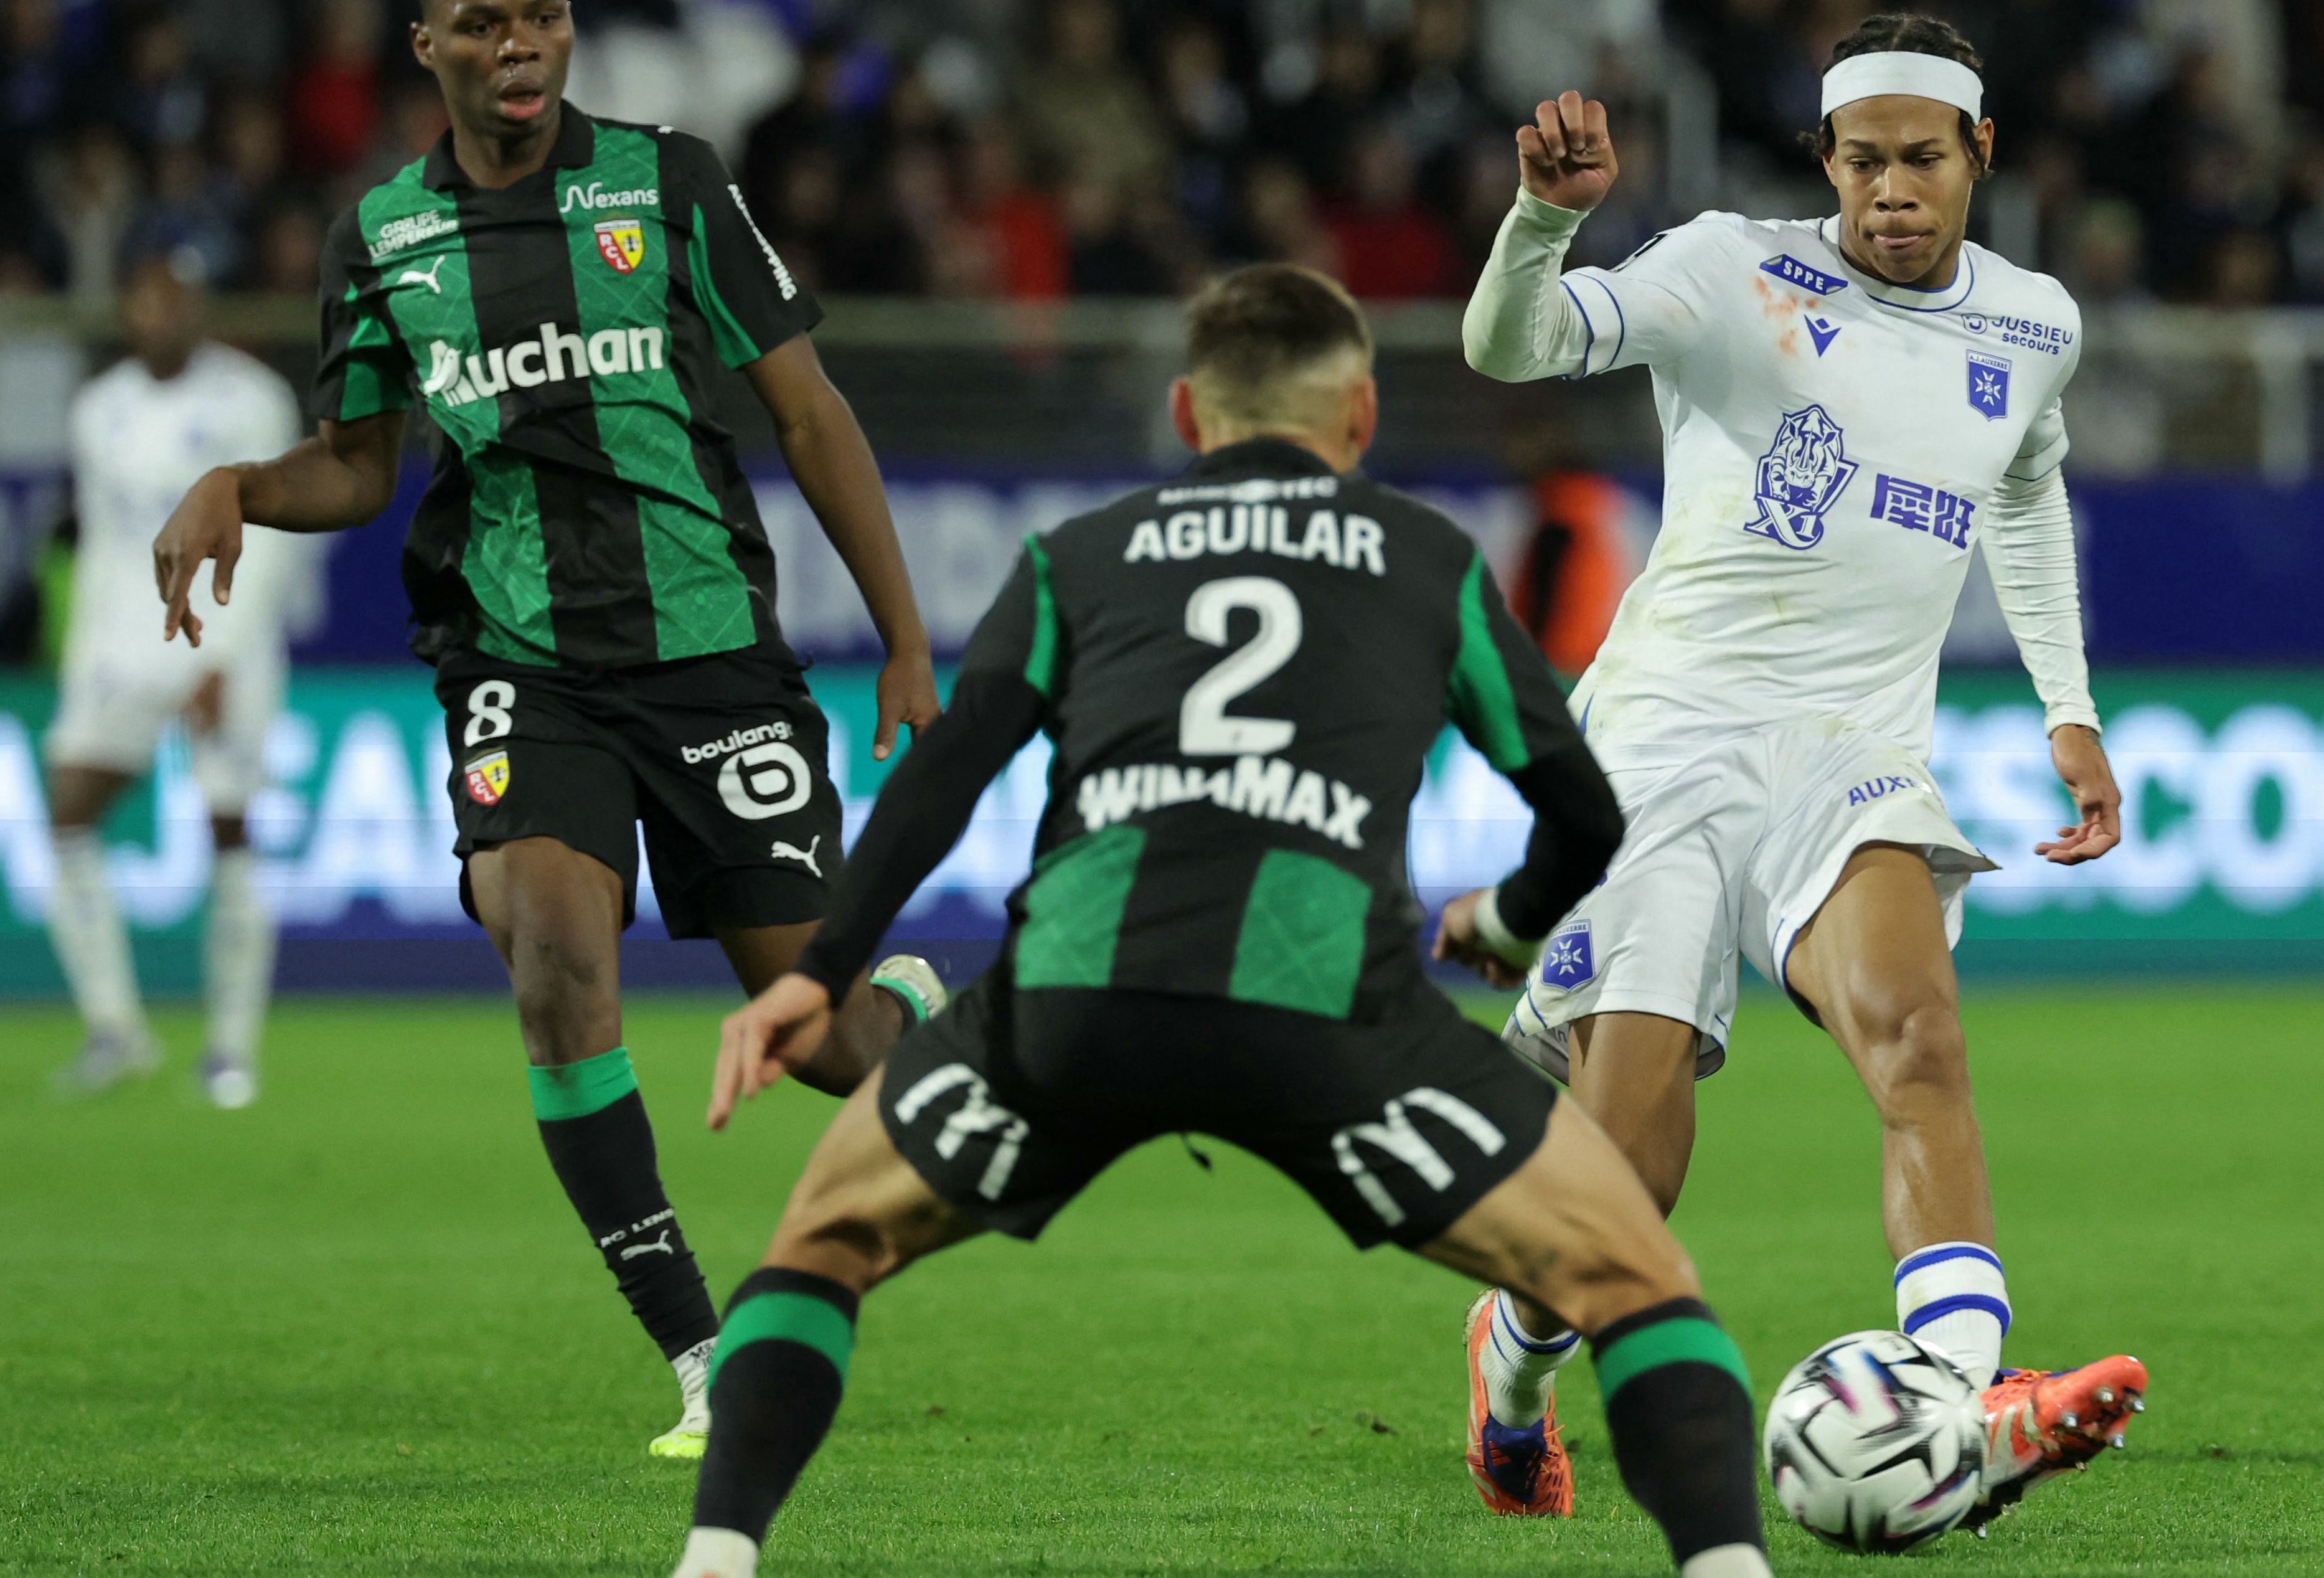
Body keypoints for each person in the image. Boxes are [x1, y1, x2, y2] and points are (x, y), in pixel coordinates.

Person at [667, 264, 1774, 1578]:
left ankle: (716, 1559)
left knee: (824, 1241)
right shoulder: (1424, 558)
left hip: (1074, 1003)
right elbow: (1585, 814)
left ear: (1189, 416)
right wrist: (1509, 919)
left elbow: (945, 775)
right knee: (1633, 1277)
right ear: (1360, 416)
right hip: (1330, 1013)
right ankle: (1728, 1567)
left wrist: (821, 972)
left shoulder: (1076, 557)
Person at [151, 0, 938, 1462]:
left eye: (545, 17)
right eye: (483, 23)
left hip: (708, 656)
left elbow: (809, 413)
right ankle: (702, 1352)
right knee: (559, 957)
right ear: (427, 46)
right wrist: (238, 487)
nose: (520, 45)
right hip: (519, 658)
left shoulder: (670, 181)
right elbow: (357, 464)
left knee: (826, 1039)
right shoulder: (382, 235)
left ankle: (909, 1009)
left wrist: (902, 638)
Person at [1454, 11, 2145, 1528]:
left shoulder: (2033, 324)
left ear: (1979, 154)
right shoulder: (1727, 272)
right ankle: (1510, 1364)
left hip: (1849, 747)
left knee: (1921, 1042)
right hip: (1662, 738)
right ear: (1823, 159)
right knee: (1630, 1167)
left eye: (1922, 161)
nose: (1891, 191)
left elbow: (2026, 490)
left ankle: (1960, 1406)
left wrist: (2068, 707)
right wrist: (1542, 225)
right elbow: (1513, 345)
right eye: (1862, 161)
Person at [45, 246, 308, 1108]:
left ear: (200, 308)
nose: (162, 315)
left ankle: (231, 1049)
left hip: (224, 640)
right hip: (123, 644)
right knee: (68, 810)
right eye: (148, 300)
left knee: (228, 827)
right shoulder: (99, 408)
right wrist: (82, 657)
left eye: (178, 300)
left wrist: (223, 656)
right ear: (128, 307)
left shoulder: (252, 399)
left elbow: (269, 538)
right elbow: (100, 547)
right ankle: (115, 1030)